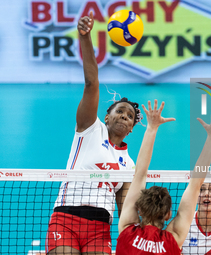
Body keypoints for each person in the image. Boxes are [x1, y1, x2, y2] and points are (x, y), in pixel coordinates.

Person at [46, 11, 141, 255]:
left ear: (131, 129)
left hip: (100, 227)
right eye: (120, 111)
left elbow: (126, 210)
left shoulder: (129, 165)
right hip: (66, 217)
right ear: (107, 116)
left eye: (129, 116)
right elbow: (91, 82)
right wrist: (85, 37)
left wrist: (140, 238)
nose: (124, 116)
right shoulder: (90, 129)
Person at [116, 104, 211, 255]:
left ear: (139, 209)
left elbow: (140, 174)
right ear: (168, 214)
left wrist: (152, 127)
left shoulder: (127, 229)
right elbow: (196, 184)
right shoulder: (173, 239)